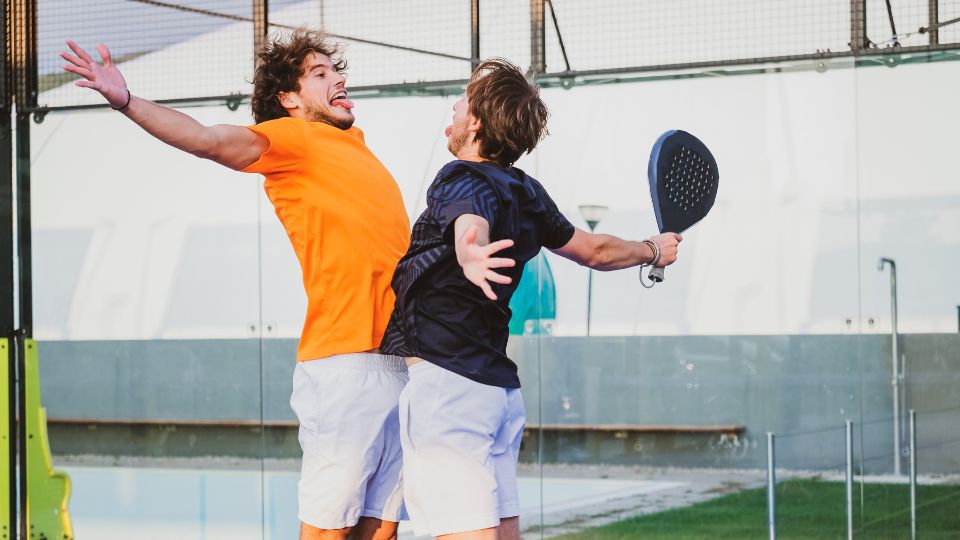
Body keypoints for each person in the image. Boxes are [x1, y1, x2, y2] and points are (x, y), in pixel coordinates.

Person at [61, 30, 410, 540]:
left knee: (381, 528)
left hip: (400, 359)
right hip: (345, 363)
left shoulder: (357, 148)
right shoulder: (292, 141)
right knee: (328, 530)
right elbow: (207, 139)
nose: (338, 79)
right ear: (289, 99)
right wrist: (128, 101)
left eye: (336, 72)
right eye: (320, 74)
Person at [380, 58, 683, 540]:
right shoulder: (525, 191)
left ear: (475, 121)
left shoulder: (461, 177)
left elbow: (469, 224)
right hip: (496, 394)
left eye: (460, 100)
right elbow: (595, 251)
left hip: (449, 390)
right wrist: (651, 249)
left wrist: (471, 253)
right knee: (502, 530)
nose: (453, 108)